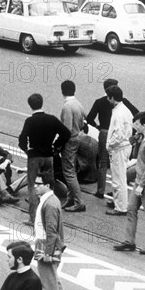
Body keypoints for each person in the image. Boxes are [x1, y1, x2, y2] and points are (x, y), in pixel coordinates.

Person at [114, 111, 145, 255]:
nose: (135, 125)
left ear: (144, 125)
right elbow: (135, 155)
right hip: (140, 181)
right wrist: (135, 140)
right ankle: (129, 241)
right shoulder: (143, 139)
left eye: (137, 124)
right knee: (131, 209)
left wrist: (141, 185)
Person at [18, 94, 70, 225]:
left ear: (30, 105)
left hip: (34, 156)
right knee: (49, 186)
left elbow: (22, 139)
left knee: (32, 187)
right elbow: (66, 133)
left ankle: (33, 218)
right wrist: (56, 145)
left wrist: (27, 150)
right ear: (42, 103)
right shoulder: (52, 119)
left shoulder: (30, 121)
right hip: (48, 156)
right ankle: (49, 216)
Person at [86, 78, 138, 199]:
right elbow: (136, 113)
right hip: (119, 136)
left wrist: (98, 127)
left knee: (103, 163)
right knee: (118, 165)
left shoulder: (99, 102)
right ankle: (116, 191)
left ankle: (100, 190)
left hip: (104, 132)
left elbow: (89, 118)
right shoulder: (123, 102)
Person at [32, 174, 71, 290]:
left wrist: (48, 252)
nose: (36, 186)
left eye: (39, 184)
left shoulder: (49, 204)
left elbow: (51, 231)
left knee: (48, 281)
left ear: (47, 186)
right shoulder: (51, 200)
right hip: (50, 244)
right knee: (53, 277)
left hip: (46, 244)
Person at [105, 85, 134, 216]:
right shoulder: (125, 110)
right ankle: (119, 202)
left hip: (119, 148)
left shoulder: (118, 113)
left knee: (118, 178)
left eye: (108, 97)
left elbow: (118, 134)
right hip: (125, 146)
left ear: (112, 98)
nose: (107, 99)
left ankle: (120, 207)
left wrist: (110, 145)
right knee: (120, 176)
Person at [59, 80, 86, 213]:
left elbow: (67, 129)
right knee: (72, 168)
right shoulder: (78, 104)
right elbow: (83, 122)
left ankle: (79, 201)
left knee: (68, 171)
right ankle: (70, 198)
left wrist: (58, 143)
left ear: (62, 91)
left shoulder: (67, 106)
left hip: (69, 140)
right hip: (78, 137)